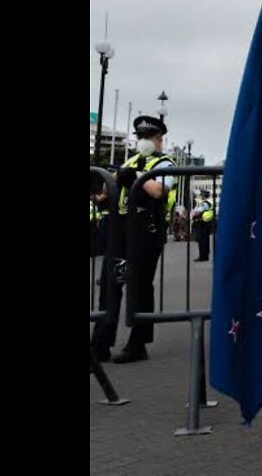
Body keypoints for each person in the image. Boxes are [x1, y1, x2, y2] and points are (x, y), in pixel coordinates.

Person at [90, 115, 175, 364]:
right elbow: (107, 193)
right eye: (140, 137)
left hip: (145, 231)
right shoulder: (132, 159)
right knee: (110, 284)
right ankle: (100, 344)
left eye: (148, 137)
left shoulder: (165, 164)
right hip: (122, 230)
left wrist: (135, 176)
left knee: (139, 287)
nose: (143, 141)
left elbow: (159, 191)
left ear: (159, 139)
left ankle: (138, 344)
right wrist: (104, 186)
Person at [191, 188, 215, 262]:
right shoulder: (209, 202)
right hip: (207, 222)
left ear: (204, 195)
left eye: (202, 194)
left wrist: (193, 214)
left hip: (203, 222)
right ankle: (205, 255)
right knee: (205, 239)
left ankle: (203, 256)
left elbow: (198, 212)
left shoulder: (205, 203)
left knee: (202, 240)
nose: (201, 195)